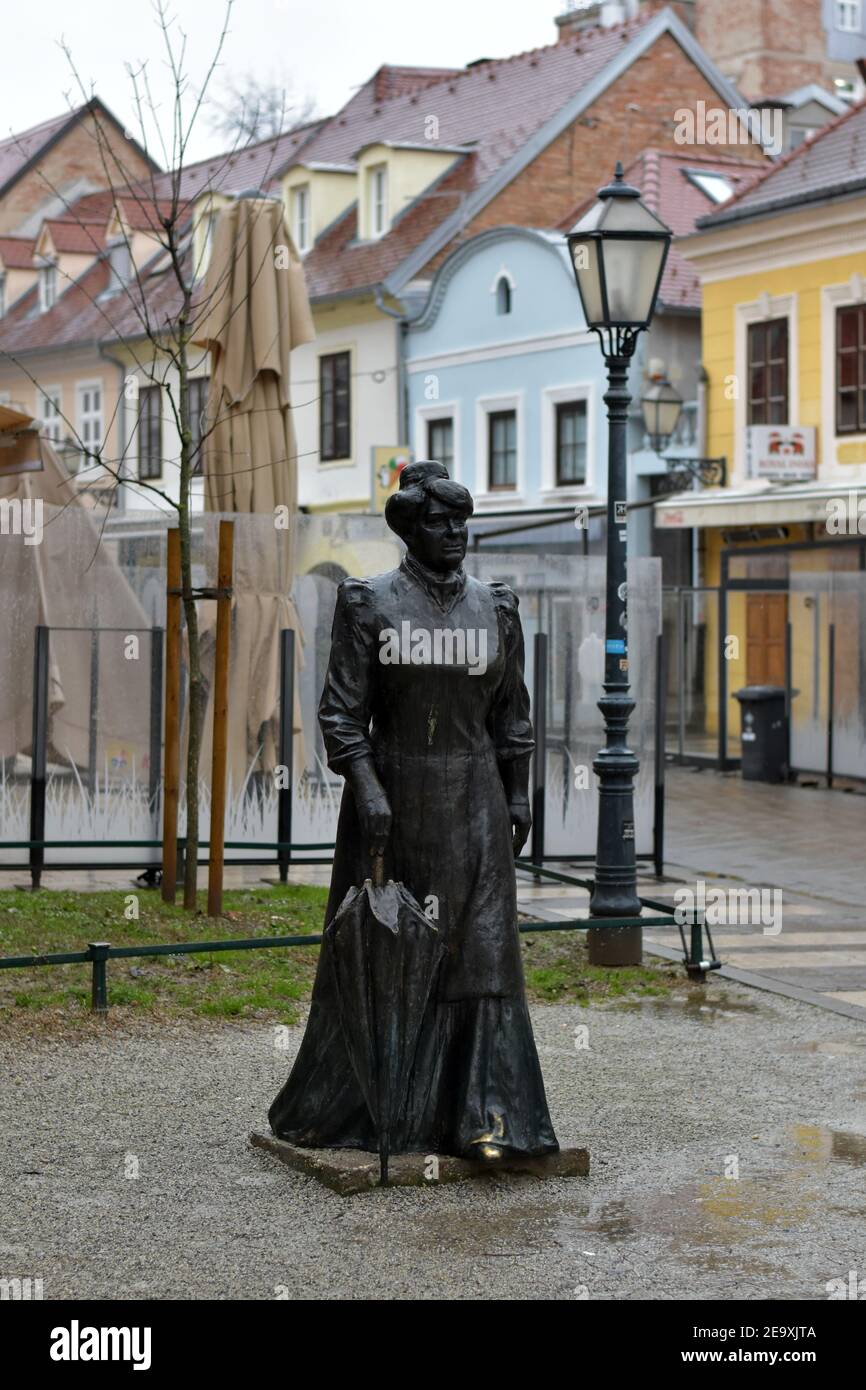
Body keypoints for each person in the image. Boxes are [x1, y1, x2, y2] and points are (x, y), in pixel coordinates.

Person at [269, 461, 558, 1161]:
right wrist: (366, 787)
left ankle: (487, 1115)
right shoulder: (370, 602)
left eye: (462, 520)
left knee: (483, 954)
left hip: (477, 800)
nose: (454, 532)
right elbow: (341, 714)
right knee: (393, 950)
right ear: (409, 527)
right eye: (438, 520)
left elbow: (512, 716)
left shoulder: (497, 607)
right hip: (395, 798)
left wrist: (519, 792)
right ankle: (385, 1107)